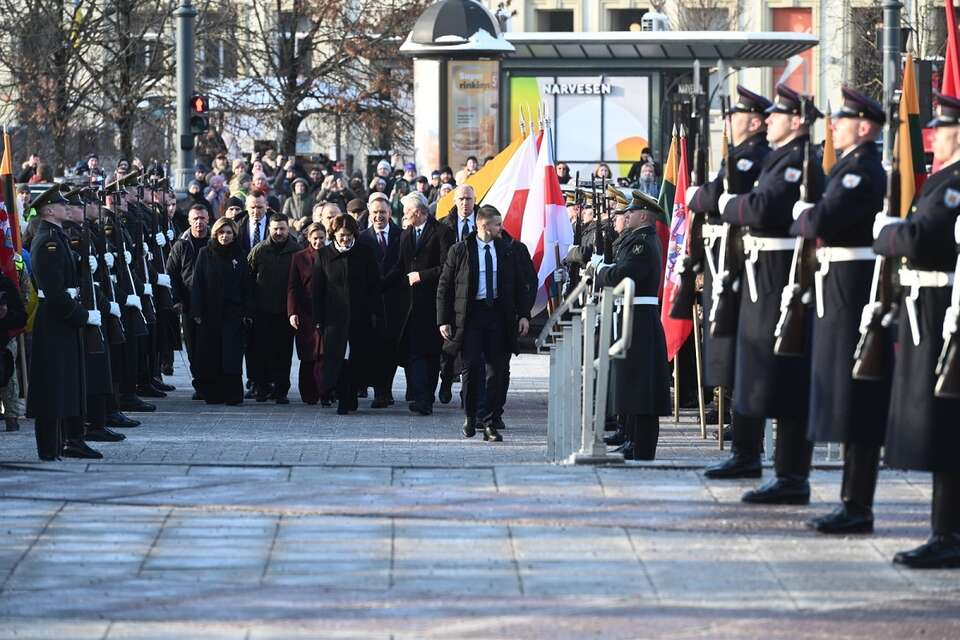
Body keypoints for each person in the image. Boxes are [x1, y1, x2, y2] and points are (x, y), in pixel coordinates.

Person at [717, 83, 826, 504]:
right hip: (762, 271)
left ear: (796, 121)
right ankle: (753, 458)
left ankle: (791, 476)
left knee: (786, 377)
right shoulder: (781, 157)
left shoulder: (798, 160)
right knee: (757, 366)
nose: (769, 121)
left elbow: (763, 208)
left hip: (781, 274)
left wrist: (728, 205)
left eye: (777, 115)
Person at [789, 87, 889, 534]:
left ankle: (857, 505)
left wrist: (805, 213)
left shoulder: (861, 170)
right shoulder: (848, 165)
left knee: (857, 400)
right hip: (838, 286)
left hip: (851, 289)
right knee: (847, 399)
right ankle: (850, 501)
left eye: (843, 119)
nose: (835, 125)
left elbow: (822, 221)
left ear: (864, 127)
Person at [873, 92, 960, 569]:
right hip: (928, 307)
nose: (933, 135)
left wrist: (886, 231)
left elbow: (920, 238)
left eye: (941, 128)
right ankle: (944, 531)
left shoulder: (955, 184)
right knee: (940, 422)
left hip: (941, 310)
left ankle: (948, 535)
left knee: (945, 422)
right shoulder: (944, 178)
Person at [685, 85, 772, 479]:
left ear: (753, 122)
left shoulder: (750, 156)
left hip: (742, 266)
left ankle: (746, 447)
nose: (729, 122)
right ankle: (742, 443)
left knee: (743, 356)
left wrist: (698, 195)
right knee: (736, 357)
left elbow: (714, 196)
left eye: (735, 116)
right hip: (733, 262)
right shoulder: (744, 155)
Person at [437, 205, 533, 442]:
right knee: (471, 368)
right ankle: (471, 416)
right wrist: (444, 320)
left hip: (498, 316)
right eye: (497, 224)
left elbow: (520, 284)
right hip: (471, 316)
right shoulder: (460, 250)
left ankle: (489, 421)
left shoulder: (507, 250)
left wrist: (523, 315)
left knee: (496, 370)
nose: (502, 228)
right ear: (483, 225)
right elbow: (445, 287)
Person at [589, 193, 671, 459]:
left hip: (640, 317)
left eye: (631, 212)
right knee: (632, 383)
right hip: (631, 314)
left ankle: (641, 446)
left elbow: (622, 275)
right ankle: (633, 440)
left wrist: (600, 271)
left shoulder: (643, 244)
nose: (626, 216)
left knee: (641, 386)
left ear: (644, 216)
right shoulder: (637, 239)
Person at [25, 185, 91, 461]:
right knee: (51, 386)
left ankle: (63, 443)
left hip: (62, 319)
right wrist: (80, 315)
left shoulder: (57, 236)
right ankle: (49, 449)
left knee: (64, 383)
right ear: (49, 211)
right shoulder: (47, 241)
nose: (68, 207)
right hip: (54, 320)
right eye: (62, 204)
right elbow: (53, 291)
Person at [384, 192, 455, 415]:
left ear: (418, 211)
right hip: (411, 306)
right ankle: (420, 397)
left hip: (434, 304)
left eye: (406, 211)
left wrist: (421, 276)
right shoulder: (406, 234)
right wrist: (379, 285)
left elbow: (447, 267)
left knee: (431, 354)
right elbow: (400, 267)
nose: (403, 215)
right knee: (414, 353)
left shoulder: (442, 232)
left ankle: (426, 398)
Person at [311, 214, 382, 415]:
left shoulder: (365, 252)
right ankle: (342, 397)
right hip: (334, 319)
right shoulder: (324, 255)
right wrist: (318, 319)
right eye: (341, 235)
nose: (345, 239)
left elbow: (374, 285)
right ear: (334, 234)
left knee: (357, 358)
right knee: (338, 358)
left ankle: (352, 395)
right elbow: (317, 290)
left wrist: (376, 313)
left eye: (349, 235)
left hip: (360, 317)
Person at [190, 218, 252, 405]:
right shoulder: (205, 253)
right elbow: (197, 283)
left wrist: (247, 311)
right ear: (215, 234)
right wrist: (197, 311)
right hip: (210, 312)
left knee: (231, 354)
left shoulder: (240, 254)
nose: (225, 236)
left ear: (234, 235)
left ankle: (233, 394)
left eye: (229, 233)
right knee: (212, 353)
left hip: (233, 312)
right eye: (221, 232)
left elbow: (246, 284)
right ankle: (213, 393)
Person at [247, 213, 299, 403]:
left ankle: (281, 390)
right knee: (261, 351)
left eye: (282, 229)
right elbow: (248, 278)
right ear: (269, 228)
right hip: (262, 311)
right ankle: (261, 388)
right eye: (275, 228)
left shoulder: (296, 250)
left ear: (288, 229)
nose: (279, 232)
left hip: (286, 312)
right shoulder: (259, 250)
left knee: (283, 353)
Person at [359, 193, 405, 407]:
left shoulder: (401, 235)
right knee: (376, 349)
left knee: (391, 349)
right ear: (369, 213)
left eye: (383, 212)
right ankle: (381, 392)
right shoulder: (362, 238)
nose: (379, 216)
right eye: (375, 212)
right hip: (372, 303)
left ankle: (386, 389)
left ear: (390, 213)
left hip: (396, 301)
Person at [437, 184, 480, 403]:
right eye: (461, 199)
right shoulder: (444, 225)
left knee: (471, 347)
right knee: (449, 344)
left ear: (475, 200)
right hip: (451, 291)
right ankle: (446, 380)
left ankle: (467, 389)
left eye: (468, 199)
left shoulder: (483, 224)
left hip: (475, 292)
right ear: (454, 200)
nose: (465, 203)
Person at [167, 204, 210, 398]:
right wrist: (177, 299)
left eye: (202, 218)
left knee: (209, 345)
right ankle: (199, 384)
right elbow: (172, 273)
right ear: (189, 221)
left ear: (208, 219)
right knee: (193, 347)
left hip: (210, 303)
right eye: (195, 219)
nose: (199, 222)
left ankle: (211, 382)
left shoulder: (214, 241)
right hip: (188, 303)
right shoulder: (181, 244)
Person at [287, 222, 326, 405]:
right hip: (305, 311)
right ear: (309, 238)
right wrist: (292, 312)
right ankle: (308, 392)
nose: (318, 242)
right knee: (307, 353)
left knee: (324, 352)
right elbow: (293, 287)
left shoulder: (331, 254)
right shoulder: (299, 257)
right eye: (315, 238)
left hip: (326, 311)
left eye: (321, 238)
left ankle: (325, 390)